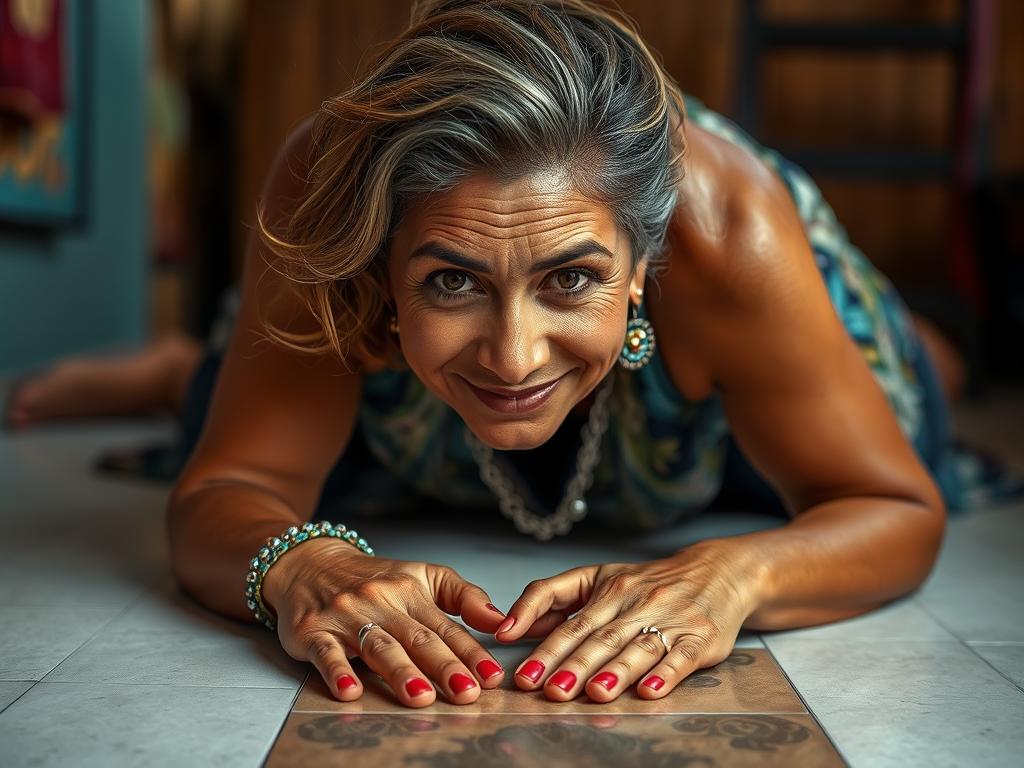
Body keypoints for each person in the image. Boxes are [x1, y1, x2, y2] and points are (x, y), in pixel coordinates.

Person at [4, 0, 1016, 709]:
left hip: (724, 372)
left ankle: (923, 339)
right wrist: (301, 564)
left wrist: (729, 577)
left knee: (926, 378)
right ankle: (199, 366)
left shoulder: (724, 231)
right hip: (408, 384)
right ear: (381, 268)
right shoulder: (328, 199)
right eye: (450, 280)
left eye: (569, 276)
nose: (513, 352)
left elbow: (891, 508)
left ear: (637, 268)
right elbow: (237, 483)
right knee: (246, 401)